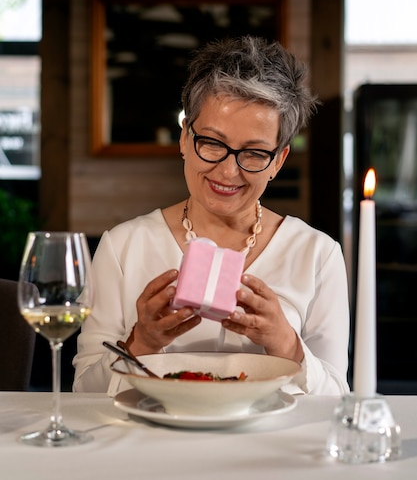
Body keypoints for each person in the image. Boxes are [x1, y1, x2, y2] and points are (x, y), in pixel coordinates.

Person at [73, 35, 350, 396]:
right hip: (151, 446)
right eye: (213, 143)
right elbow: (84, 394)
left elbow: (337, 400)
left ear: (278, 162)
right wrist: (140, 344)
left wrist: (286, 343)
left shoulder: (317, 254)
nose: (228, 171)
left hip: (273, 449)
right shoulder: (122, 247)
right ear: (186, 138)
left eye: (253, 153)